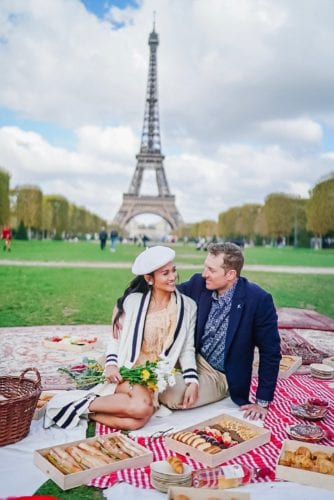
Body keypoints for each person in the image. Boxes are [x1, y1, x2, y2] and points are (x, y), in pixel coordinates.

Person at [46, 246, 199, 431]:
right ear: (149, 279)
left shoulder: (188, 307)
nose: (173, 277)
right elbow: (116, 339)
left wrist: (192, 381)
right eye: (165, 273)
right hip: (128, 370)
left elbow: (187, 349)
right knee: (142, 408)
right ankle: (77, 404)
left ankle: (82, 409)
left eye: (173, 270)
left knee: (136, 422)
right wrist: (111, 364)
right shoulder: (133, 302)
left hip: (154, 378)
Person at [159, 242, 281, 421]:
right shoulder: (198, 284)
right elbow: (164, 294)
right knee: (131, 359)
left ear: (231, 274)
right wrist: (123, 305)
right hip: (190, 355)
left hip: (218, 374)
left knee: (169, 392)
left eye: (211, 270)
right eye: (205, 267)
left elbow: (270, 352)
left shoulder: (258, 300)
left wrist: (262, 402)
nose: (204, 274)